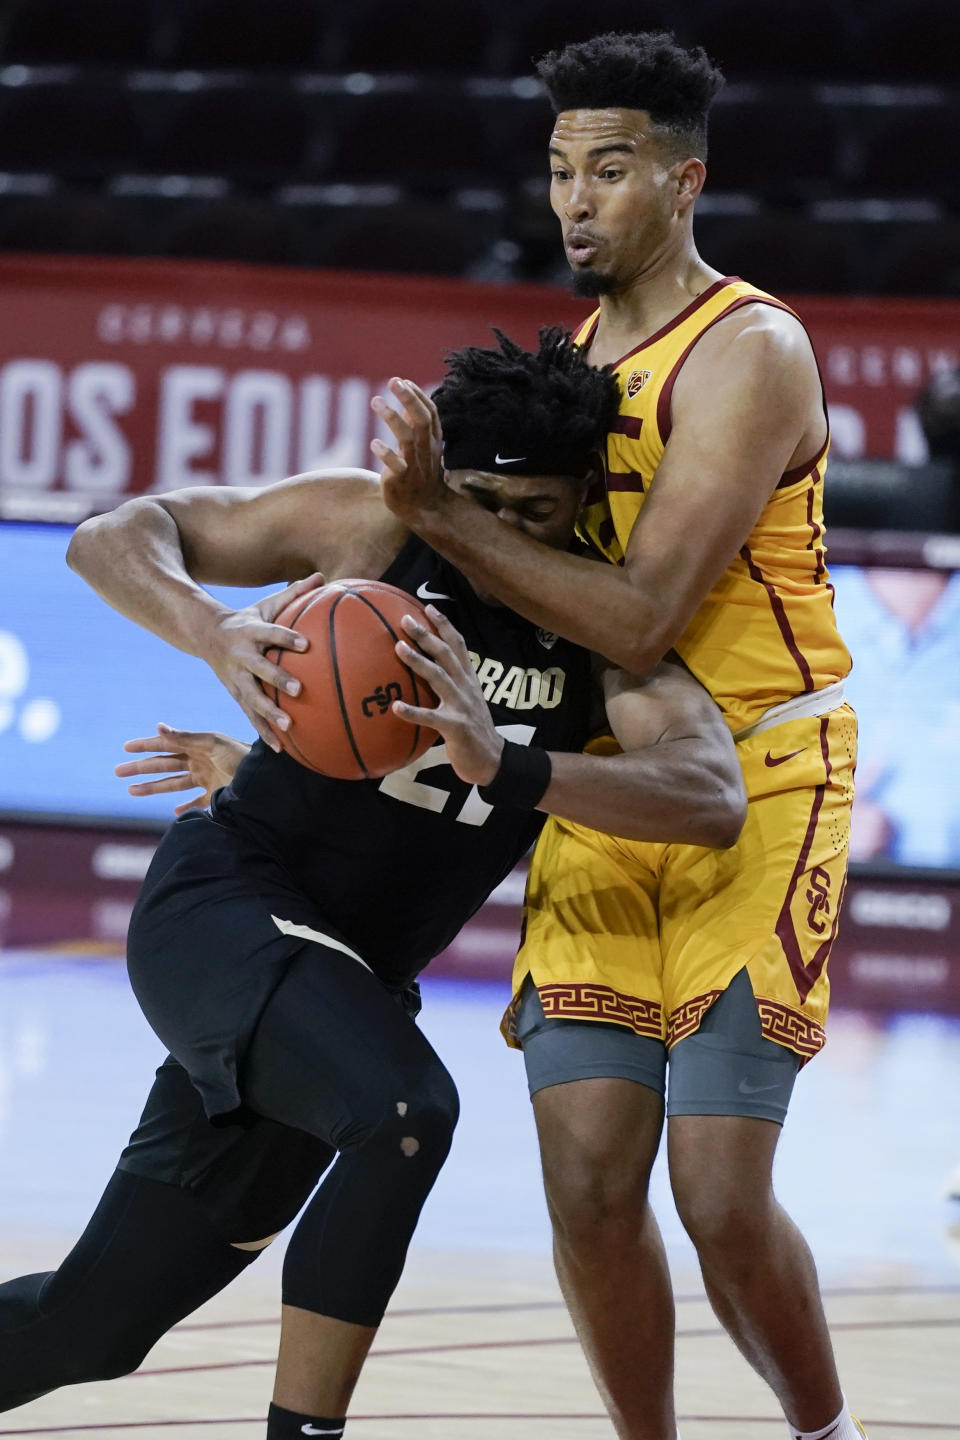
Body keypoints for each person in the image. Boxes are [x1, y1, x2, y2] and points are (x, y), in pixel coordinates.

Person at [0, 330, 748, 1439]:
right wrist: (212, 629)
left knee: (93, 1327)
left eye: (534, 515)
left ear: (585, 499)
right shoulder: (373, 522)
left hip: (347, 987)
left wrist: (519, 766)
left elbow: (709, 792)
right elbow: (116, 535)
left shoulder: (596, 627)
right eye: (480, 506)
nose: (499, 539)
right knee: (406, 1113)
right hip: (227, 907)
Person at [369, 31, 865, 1440]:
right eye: (559, 172)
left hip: (763, 777)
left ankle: (823, 1431)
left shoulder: (751, 348)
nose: (575, 201)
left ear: (684, 180)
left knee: (714, 1192)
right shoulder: (572, 360)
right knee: (588, 1184)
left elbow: (643, 613)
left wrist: (443, 511)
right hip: (615, 778)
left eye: (610, 172)